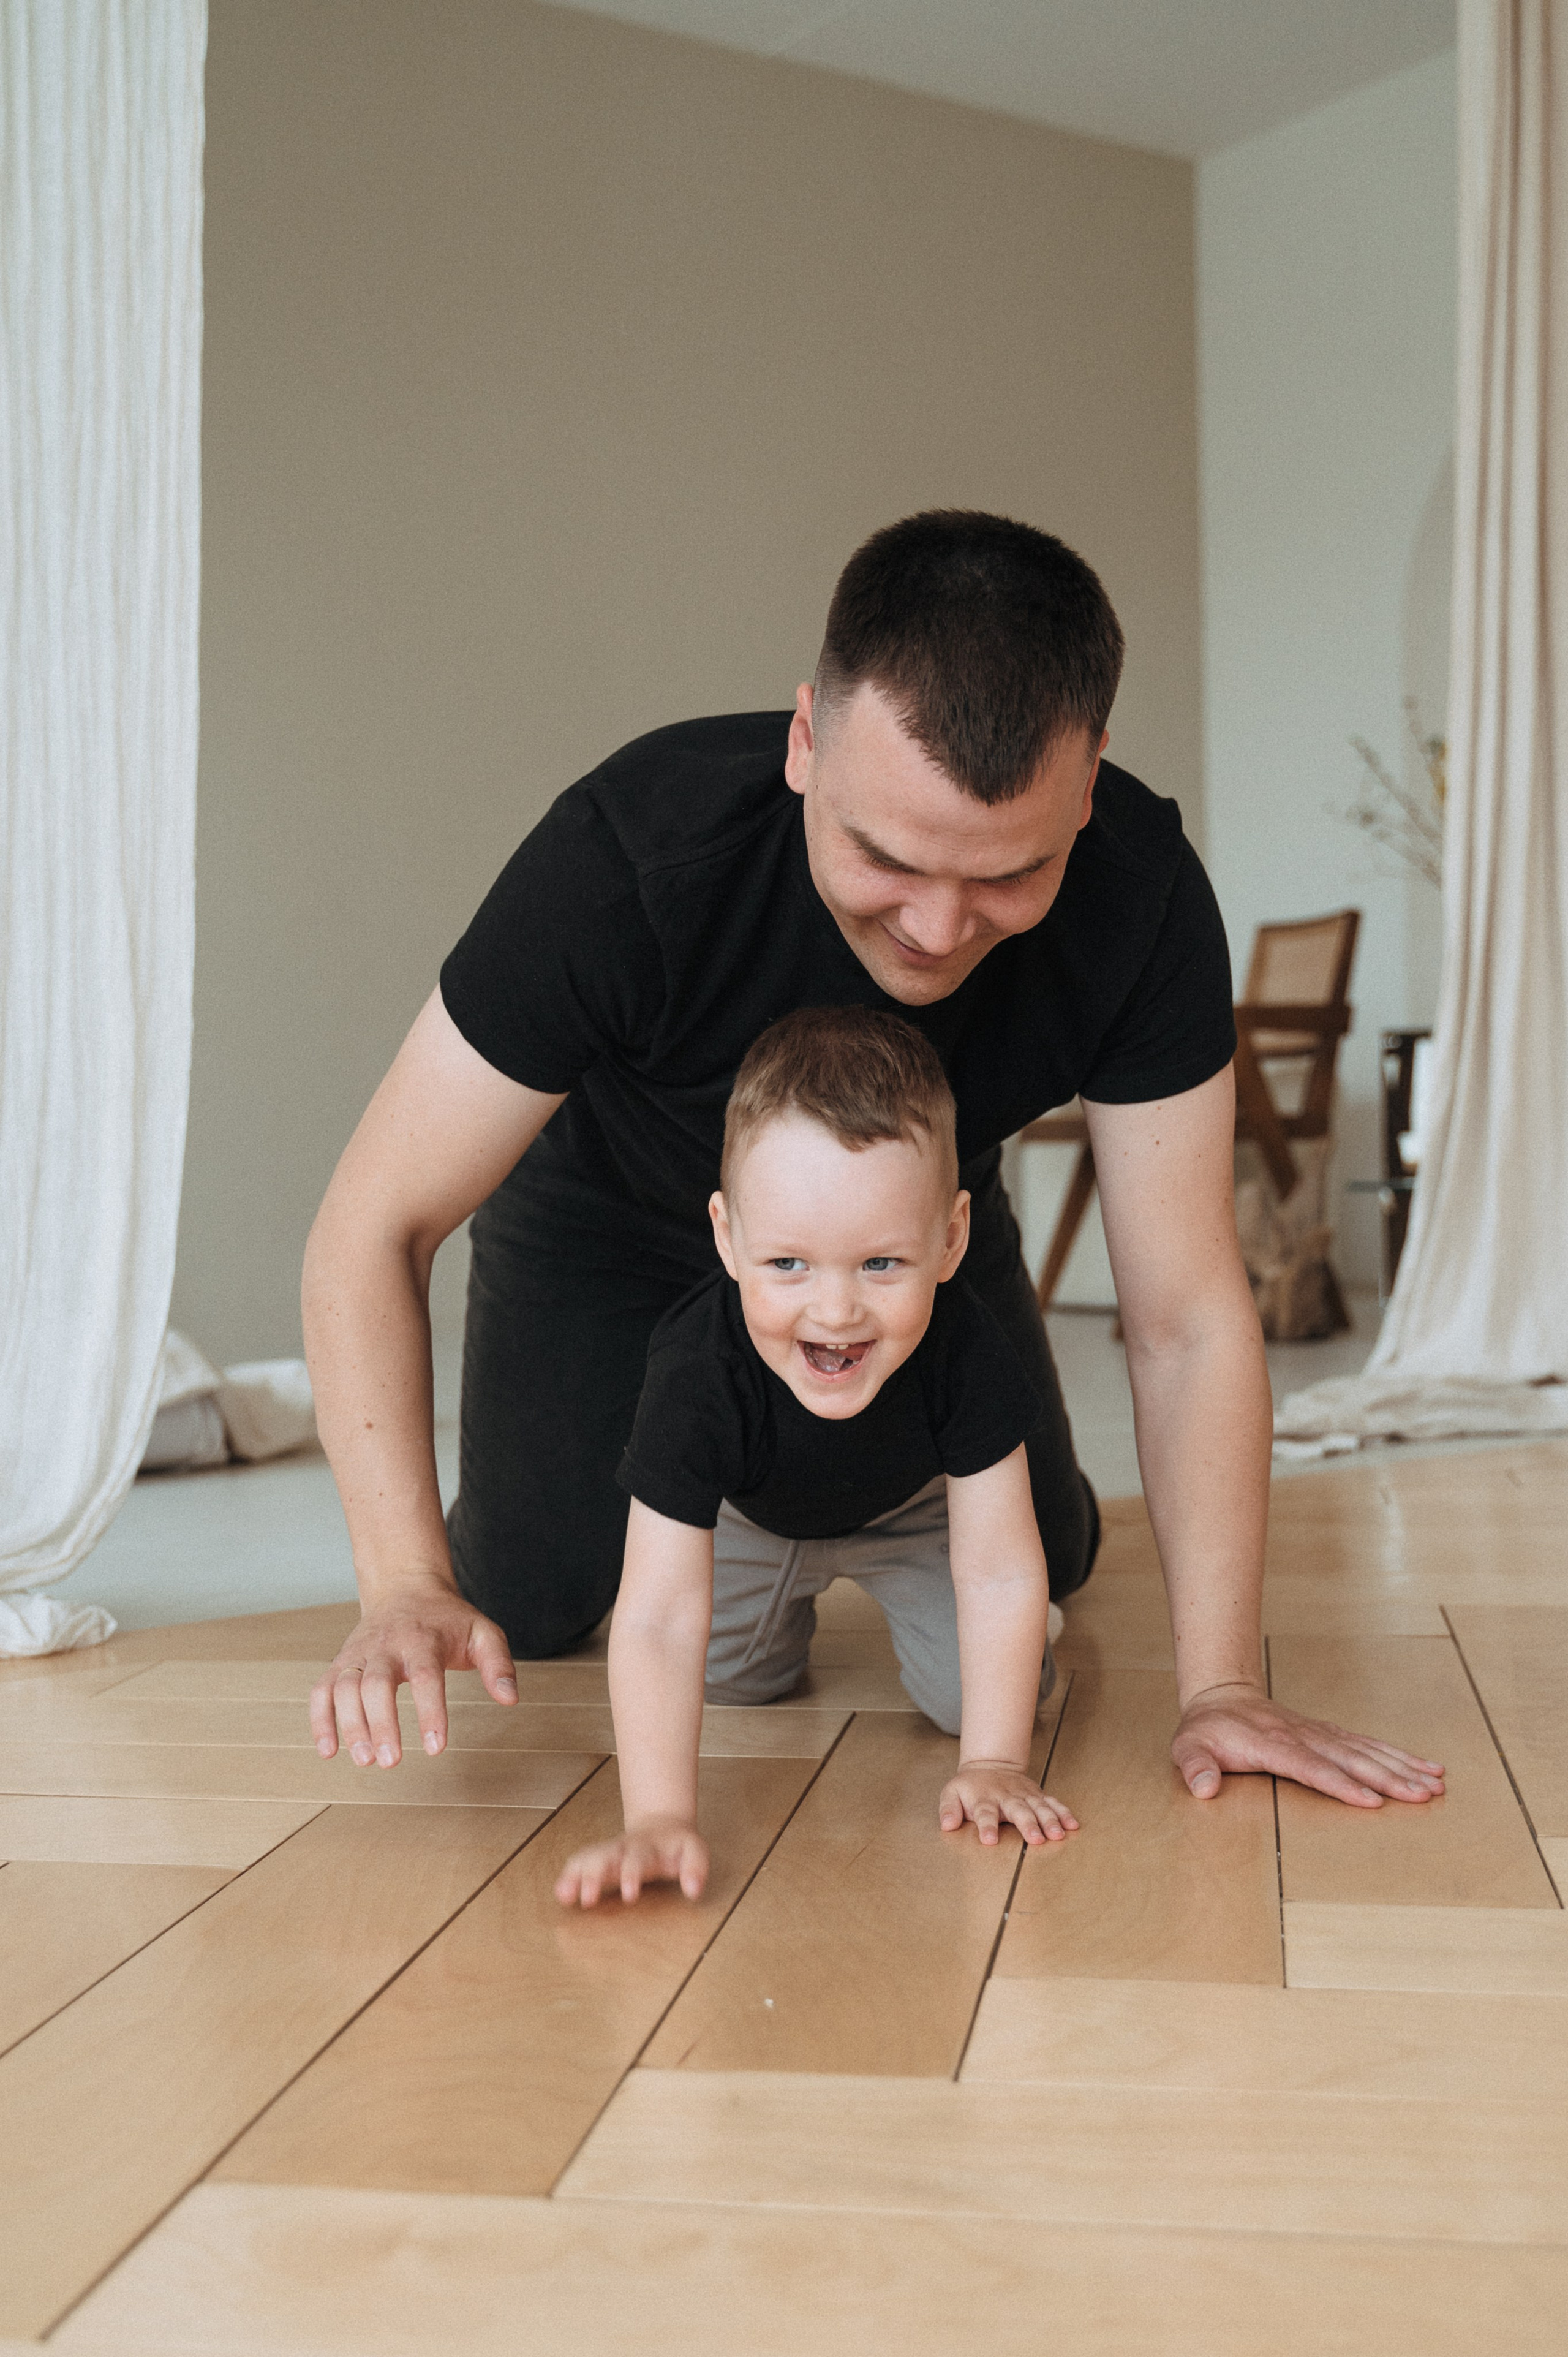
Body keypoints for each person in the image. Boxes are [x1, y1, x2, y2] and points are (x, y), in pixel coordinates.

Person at [305, 509, 1445, 1818]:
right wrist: (400, 1581)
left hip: (921, 1226)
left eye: (1008, 875)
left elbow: (1184, 1315)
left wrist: (1218, 1686)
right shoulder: (627, 855)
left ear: (1086, 789)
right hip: (607, 1224)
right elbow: (372, 1223)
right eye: (884, 858)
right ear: (804, 743)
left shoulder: (1138, 898)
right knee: (533, 1594)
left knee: (1050, 1550)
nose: (935, 929)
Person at [555, 1005, 1080, 1909]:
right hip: (752, 1517)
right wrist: (657, 1817)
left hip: (913, 1514)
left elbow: (994, 1566)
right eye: (789, 1264)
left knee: (989, 1697)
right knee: (725, 1683)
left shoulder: (968, 1345)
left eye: (880, 1264)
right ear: (727, 1238)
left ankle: (1033, 1637)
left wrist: (994, 1761)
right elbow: (656, 1615)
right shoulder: (695, 1370)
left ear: (951, 1239)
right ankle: (779, 1623)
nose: (835, 1313)